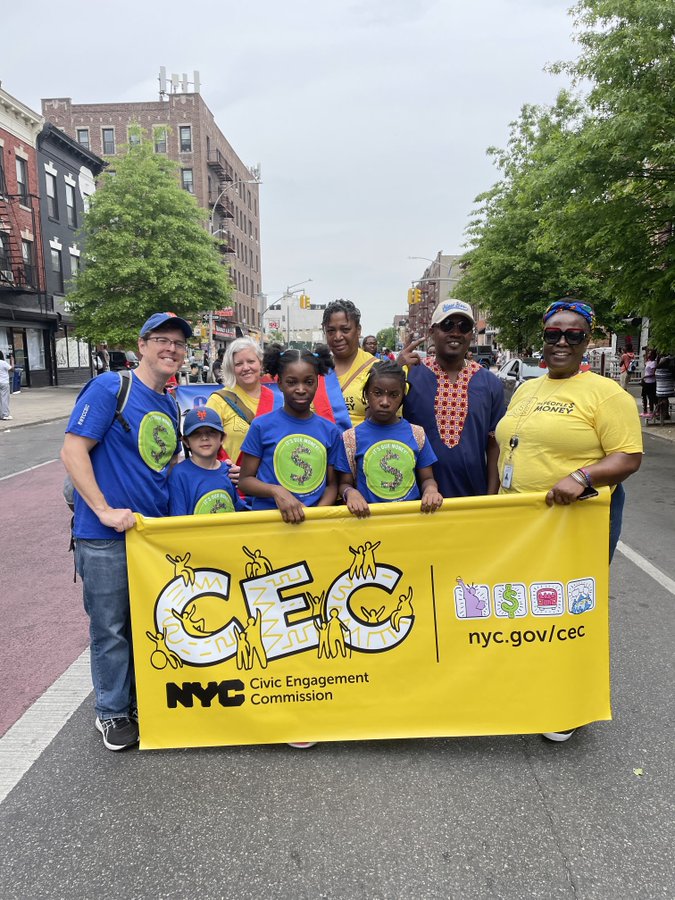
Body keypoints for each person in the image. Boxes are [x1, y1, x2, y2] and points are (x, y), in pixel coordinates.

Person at [494, 299, 642, 742]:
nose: (561, 342)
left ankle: (565, 707)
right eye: (553, 333)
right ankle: (527, 685)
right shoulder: (527, 388)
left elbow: (628, 456)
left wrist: (581, 475)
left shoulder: (605, 393)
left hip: (574, 521)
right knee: (522, 602)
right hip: (519, 518)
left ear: (587, 340)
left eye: (573, 335)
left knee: (566, 609)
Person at [60, 312, 191, 751]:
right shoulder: (111, 388)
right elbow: (73, 449)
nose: (171, 349)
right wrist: (103, 509)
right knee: (111, 627)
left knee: (144, 625)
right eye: (162, 340)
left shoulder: (170, 403)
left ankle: (137, 701)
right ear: (142, 344)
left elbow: (163, 465)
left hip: (149, 539)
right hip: (105, 535)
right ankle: (112, 712)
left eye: (178, 343)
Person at [401, 299, 506, 498]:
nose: (456, 332)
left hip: (472, 498)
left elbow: (495, 446)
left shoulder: (490, 383)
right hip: (415, 497)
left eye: (464, 326)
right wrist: (396, 371)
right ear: (432, 331)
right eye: (447, 325)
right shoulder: (410, 375)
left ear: (471, 335)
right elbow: (378, 420)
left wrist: (491, 497)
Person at [238, 346, 350, 523]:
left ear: (318, 382)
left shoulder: (330, 431)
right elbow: (245, 481)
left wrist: (315, 516)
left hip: (312, 527)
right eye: (292, 382)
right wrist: (277, 491)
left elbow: (331, 485)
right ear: (280, 382)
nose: (301, 389)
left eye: (308, 382)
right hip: (269, 524)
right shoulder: (261, 426)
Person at [339, 360, 443, 517]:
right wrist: (350, 493)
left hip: (409, 520)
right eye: (377, 393)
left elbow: (427, 479)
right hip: (368, 522)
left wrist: (431, 490)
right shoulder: (350, 438)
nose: (385, 402)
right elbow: (344, 483)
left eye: (393, 395)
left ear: (402, 396)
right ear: (366, 393)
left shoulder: (417, 434)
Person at [206, 338, 279, 466]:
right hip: (229, 479)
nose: (246, 368)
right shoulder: (218, 400)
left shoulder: (278, 400)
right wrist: (225, 466)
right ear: (231, 368)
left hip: (267, 481)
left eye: (251, 361)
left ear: (261, 364)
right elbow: (206, 441)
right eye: (238, 364)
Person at [168, 407, 247, 516]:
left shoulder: (230, 471)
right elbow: (178, 519)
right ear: (186, 441)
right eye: (196, 433)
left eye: (211, 432)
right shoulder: (180, 474)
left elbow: (238, 509)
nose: (204, 437)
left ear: (222, 438)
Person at [322, 300, 377, 426]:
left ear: (358, 330)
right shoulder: (315, 369)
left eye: (345, 330)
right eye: (331, 331)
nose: (337, 337)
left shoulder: (376, 369)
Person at [641, 349, 657, 417]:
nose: (649, 355)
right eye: (648, 353)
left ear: (653, 355)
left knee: (651, 397)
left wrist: (646, 376)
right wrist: (645, 355)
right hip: (646, 382)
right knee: (643, 395)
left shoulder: (654, 363)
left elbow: (654, 373)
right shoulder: (648, 362)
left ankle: (651, 411)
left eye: (650, 354)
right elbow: (645, 364)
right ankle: (644, 411)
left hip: (651, 382)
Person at [0, 350, 15, 420]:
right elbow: (12, 369)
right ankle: (5, 415)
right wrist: (12, 361)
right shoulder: (3, 363)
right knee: (4, 399)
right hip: (4, 382)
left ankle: (0, 414)